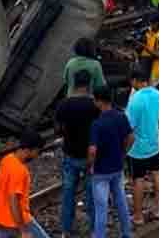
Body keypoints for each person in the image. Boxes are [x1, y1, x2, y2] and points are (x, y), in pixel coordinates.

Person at [56, 71, 99, 237]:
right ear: (89, 85)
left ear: (73, 84)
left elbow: (58, 128)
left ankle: (66, 230)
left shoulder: (64, 104)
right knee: (92, 195)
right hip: (91, 157)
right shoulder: (95, 105)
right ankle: (94, 230)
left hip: (70, 155)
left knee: (68, 193)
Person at [88, 86, 134, 238]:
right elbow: (131, 138)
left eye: (95, 100)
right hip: (117, 167)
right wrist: (123, 153)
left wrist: (91, 165)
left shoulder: (97, 124)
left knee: (101, 208)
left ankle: (99, 235)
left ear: (100, 101)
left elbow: (93, 150)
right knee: (121, 201)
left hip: (101, 171)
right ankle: (127, 233)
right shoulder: (121, 116)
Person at [125, 67, 159, 223]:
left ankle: (138, 216)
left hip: (138, 148)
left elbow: (129, 126)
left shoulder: (135, 100)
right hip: (154, 142)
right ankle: (158, 209)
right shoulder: (158, 94)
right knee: (156, 172)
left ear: (135, 81)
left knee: (138, 179)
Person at [0, 130, 51, 238]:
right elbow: (13, 200)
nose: (37, 155)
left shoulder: (6, 159)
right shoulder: (20, 170)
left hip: (1, 219)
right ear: (31, 149)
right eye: (38, 151)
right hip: (17, 222)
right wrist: (23, 230)